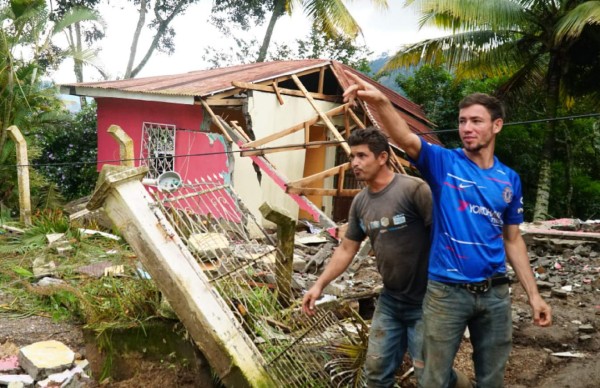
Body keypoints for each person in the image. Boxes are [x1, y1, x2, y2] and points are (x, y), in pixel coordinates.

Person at [342, 72, 552, 388]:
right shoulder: (444, 163)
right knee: (432, 379)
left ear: (497, 126)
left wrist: (534, 296)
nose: (467, 128)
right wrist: (382, 101)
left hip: (495, 293)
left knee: (492, 379)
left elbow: (513, 240)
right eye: (462, 120)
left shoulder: (510, 180)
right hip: (445, 293)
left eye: (476, 121)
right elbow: (404, 138)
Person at [302, 127, 432, 387]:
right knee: (375, 373)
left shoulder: (414, 190)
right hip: (391, 301)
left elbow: (443, 237)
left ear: (382, 157)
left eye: (361, 156)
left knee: (430, 376)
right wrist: (319, 285)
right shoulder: (361, 203)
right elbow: (347, 248)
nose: (354, 163)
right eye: (352, 157)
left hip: (427, 302)